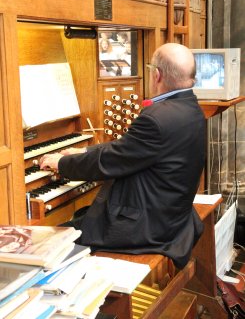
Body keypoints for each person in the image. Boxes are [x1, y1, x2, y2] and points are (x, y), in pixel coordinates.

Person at [39, 43, 206, 269]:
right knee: (76, 221)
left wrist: (62, 163)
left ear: (157, 75)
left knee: (52, 245)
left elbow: (112, 160)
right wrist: (84, 150)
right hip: (170, 215)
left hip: (148, 227)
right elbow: (130, 149)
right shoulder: (189, 107)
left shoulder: (157, 117)